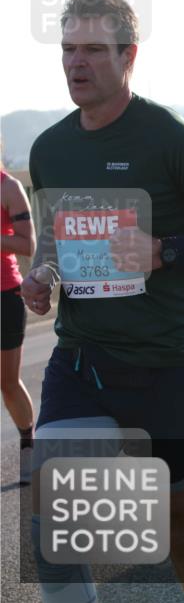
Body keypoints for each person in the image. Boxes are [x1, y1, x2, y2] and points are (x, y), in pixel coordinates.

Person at [23, 0, 184, 603]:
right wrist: (42, 276)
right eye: (68, 50)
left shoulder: (169, 137)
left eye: (94, 51)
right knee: (56, 522)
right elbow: (56, 232)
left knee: (179, 520)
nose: (77, 63)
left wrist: (164, 252)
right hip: (83, 358)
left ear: (128, 56)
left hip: (165, 360)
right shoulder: (50, 148)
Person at [1, 163, 36, 484]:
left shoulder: (8, 187)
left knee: (7, 383)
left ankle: (28, 443)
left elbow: (28, 245)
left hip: (4, 295)